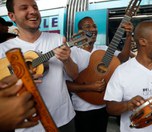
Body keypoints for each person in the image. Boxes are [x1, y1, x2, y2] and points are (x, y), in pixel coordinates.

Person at [0, 0, 79, 131]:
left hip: (63, 118)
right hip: (26, 125)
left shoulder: (58, 40)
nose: (33, 11)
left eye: (35, 7)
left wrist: (67, 60)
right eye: (24, 8)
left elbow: (75, 75)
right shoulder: (3, 49)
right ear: (12, 16)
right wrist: (20, 80)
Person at [66, 16, 133, 132]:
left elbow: (122, 58)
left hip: (103, 106)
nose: (93, 29)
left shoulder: (103, 49)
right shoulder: (72, 53)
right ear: (80, 32)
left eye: (95, 26)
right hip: (82, 109)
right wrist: (90, 87)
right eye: (88, 26)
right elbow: (66, 84)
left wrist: (128, 36)